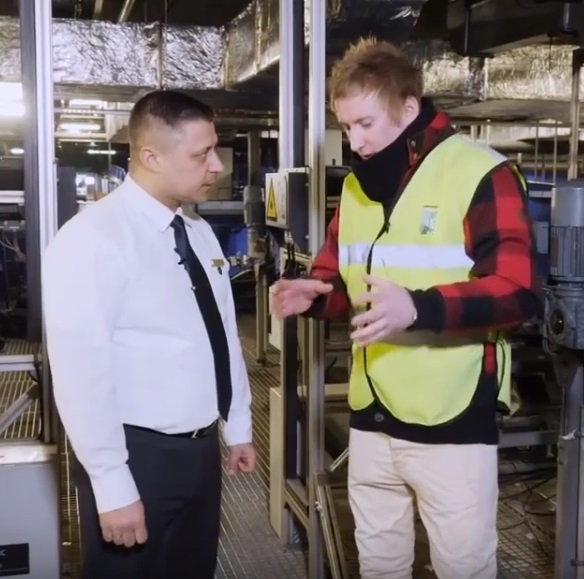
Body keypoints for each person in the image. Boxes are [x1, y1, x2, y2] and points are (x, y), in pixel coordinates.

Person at [272, 39, 540, 579]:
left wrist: (417, 308)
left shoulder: (479, 173)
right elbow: (341, 279)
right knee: (379, 564)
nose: (355, 142)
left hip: (451, 417)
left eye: (366, 124)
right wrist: (315, 294)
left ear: (409, 108)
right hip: (372, 415)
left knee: (462, 567)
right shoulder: (356, 189)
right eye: (346, 127)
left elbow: (518, 293)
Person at [42, 90, 256, 579]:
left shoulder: (198, 232)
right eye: (201, 154)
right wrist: (112, 484)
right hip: (137, 456)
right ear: (151, 156)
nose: (217, 166)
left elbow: (221, 333)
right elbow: (80, 374)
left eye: (215, 149)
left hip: (200, 452)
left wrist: (237, 424)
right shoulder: (92, 239)